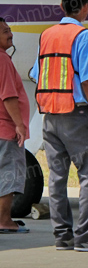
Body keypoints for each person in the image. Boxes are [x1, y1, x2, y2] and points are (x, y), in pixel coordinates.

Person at [30, 0, 88, 252]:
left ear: (61, 6)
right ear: (84, 8)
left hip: (50, 115)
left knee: (56, 177)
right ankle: (87, 237)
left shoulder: (47, 35)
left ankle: (63, 236)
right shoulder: (83, 36)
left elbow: (36, 73)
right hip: (77, 114)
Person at [0, 18, 29, 234]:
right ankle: (4, 220)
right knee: (8, 174)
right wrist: (19, 125)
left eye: (9, 30)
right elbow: (9, 96)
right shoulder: (3, 61)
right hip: (6, 129)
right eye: (4, 32)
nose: (10, 34)